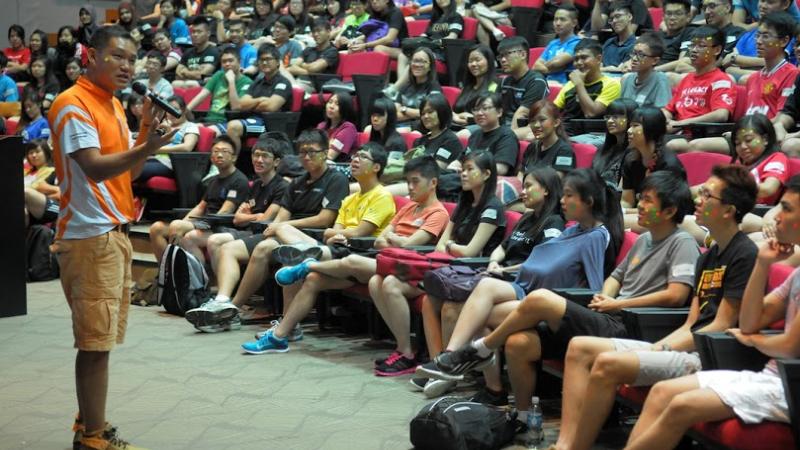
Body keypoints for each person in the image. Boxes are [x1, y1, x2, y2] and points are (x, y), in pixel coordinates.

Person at [48, 25, 176, 450]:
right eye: (117, 56)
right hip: (89, 236)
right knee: (95, 344)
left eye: (132, 60)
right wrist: (148, 147)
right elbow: (94, 167)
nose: (126, 66)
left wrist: (145, 129)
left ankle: (89, 423)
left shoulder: (114, 105)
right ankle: (93, 437)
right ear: (91, 56)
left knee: (101, 341)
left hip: (113, 232)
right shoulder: (73, 104)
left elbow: (129, 172)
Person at [621, 174, 799, 450]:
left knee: (681, 405)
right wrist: (763, 263)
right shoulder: (796, 276)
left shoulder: (739, 252)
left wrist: (753, 339)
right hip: (772, 376)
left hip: (790, 383)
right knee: (662, 392)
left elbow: (788, 346)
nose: (775, 217)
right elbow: (750, 323)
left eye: (786, 209)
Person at [416, 168, 625, 398]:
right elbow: (540, 261)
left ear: (589, 201)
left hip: (548, 304)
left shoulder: (596, 236)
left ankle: (480, 377)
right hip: (526, 288)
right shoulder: (573, 229)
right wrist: (502, 268)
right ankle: (451, 356)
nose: (562, 201)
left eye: (568, 195)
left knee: (479, 314)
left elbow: (594, 287)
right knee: (485, 287)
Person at [414, 166, 565, 396]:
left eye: (528, 186)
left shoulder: (553, 223)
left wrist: (504, 270)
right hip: (502, 279)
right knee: (438, 302)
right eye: (523, 186)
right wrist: (494, 262)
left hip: (524, 283)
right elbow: (501, 248)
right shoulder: (526, 218)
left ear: (546, 190)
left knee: (473, 299)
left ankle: (450, 358)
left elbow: (542, 263)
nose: (523, 191)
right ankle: (487, 387)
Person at [240, 143, 401, 355]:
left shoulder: (381, 196)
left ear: (376, 167)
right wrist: (338, 234)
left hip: (359, 258)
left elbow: (359, 232)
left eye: (362, 157)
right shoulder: (350, 198)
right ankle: (282, 334)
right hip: (335, 251)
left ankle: (305, 260)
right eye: (355, 155)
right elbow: (331, 232)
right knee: (287, 236)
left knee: (295, 261)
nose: (355, 159)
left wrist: (339, 234)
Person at [185, 129, 349, 331]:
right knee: (228, 248)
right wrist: (277, 227)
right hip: (283, 232)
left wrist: (283, 226)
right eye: (302, 152)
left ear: (324, 153)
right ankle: (223, 301)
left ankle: (234, 310)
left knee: (265, 249)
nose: (306, 157)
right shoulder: (296, 183)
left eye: (311, 152)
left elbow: (325, 219)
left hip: (311, 238)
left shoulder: (336, 179)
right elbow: (282, 217)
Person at [371, 150, 507, 372]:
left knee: (393, 285)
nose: (463, 174)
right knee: (378, 281)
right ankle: (426, 360)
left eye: (469, 169)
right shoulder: (464, 203)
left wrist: (451, 246)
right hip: (449, 271)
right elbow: (439, 247)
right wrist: (453, 247)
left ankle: (432, 362)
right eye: (462, 169)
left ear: (486, 174)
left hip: (472, 275)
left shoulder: (492, 207)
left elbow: (471, 252)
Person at [689, 12, 797, 154]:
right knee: (691, 146)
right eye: (757, 35)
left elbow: (781, 119)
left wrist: (743, 132)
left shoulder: (792, 74)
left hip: (767, 137)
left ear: (783, 41)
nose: (758, 41)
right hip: (746, 136)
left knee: (696, 146)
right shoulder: (752, 79)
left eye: (765, 36)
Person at [148, 135, 249, 263]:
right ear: (211, 157)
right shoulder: (213, 181)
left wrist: (193, 225)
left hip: (221, 227)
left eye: (225, 151)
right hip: (205, 223)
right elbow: (200, 207)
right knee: (157, 228)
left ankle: (191, 272)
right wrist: (184, 222)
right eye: (216, 151)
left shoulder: (239, 180)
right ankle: (167, 269)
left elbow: (224, 212)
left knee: (179, 227)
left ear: (234, 157)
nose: (219, 155)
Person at [204, 136, 289, 276]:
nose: (259, 160)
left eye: (265, 156)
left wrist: (249, 216)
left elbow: (265, 220)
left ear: (276, 161)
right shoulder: (256, 184)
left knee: (217, 241)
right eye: (256, 155)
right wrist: (255, 216)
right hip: (249, 231)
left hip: (266, 235)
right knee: (214, 241)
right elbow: (237, 219)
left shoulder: (282, 186)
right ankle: (220, 284)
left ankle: (225, 287)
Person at [663, 26, 739, 153]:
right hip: (677, 131)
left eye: (701, 46)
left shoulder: (721, 80)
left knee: (670, 145)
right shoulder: (687, 79)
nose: (694, 50)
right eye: (692, 45)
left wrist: (682, 124)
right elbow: (669, 109)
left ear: (717, 50)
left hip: (698, 135)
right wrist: (664, 119)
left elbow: (721, 114)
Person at [224, 44, 293, 151]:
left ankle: (233, 160)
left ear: (277, 62)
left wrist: (251, 104)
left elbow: (271, 107)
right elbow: (241, 104)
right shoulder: (257, 83)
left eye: (268, 59)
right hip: (252, 119)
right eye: (261, 60)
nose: (264, 63)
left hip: (268, 125)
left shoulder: (283, 83)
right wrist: (260, 100)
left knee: (233, 127)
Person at [622, 106, 687, 215]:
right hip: (639, 214)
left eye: (635, 126)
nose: (629, 131)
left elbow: (661, 209)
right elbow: (627, 201)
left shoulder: (669, 164)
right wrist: (621, 211)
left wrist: (625, 212)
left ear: (651, 130)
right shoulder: (630, 160)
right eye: (630, 126)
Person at [554, 39, 622, 136]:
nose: (579, 62)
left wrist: (579, 84)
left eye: (584, 58)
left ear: (598, 59)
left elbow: (591, 113)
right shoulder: (570, 85)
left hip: (593, 135)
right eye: (576, 59)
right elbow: (552, 111)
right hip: (565, 133)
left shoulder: (612, 84)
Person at [186, 47, 253, 131]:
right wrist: (186, 110)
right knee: (185, 128)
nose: (227, 64)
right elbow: (201, 96)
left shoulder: (247, 82)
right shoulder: (218, 75)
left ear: (239, 62)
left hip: (227, 122)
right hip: (209, 120)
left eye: (231, 61)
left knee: (197, 129)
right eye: (224, 61)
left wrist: (231, 82)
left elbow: (235, 108)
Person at [136, 95, 199, 183]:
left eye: (175, 109)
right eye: (169, 110)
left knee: (133, 172)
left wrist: (155, 150)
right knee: (128, 168)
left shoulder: (190, 126)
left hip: (171, 164)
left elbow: (187, 147)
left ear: (184, 110)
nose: (171, 113)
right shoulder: (163, 125)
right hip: (154, 159)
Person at [496, 36, 548, 141]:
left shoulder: (537, 81)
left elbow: (522, 114)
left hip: (526, 127)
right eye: (501, 56)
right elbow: (494, 108)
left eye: (507, 54)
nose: (503, 60)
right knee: (466, 133)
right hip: (502, 126)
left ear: (523, 55)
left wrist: (506, 139)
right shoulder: (505, 81)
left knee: (496, 138)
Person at [464, 92, 520, 176]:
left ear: (499, 112)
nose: (479, 113)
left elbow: (501, 169)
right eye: (476, 109)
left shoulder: (507, 136)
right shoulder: (475, 134)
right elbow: (461, 159)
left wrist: (471, 171)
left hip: (489, 180)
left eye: (485, 108)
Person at [520, 99, 575, 177]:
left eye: (542, 120)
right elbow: (521, 174)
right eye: (532, 121)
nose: (536, 125)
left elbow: (556, 181)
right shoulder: (532, 147)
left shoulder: (564, 151)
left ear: (556, 123)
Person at [620, 33, 672, 108]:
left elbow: (662, 112)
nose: (634, 59)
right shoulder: (627, 79)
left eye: (641, 55)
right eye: (634, 53)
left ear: (655, 60)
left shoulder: (660, 80)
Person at [452, 44, 498, 129]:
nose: (473, 64)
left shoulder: (494, 85)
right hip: (457, 126)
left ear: (489, 61)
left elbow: (487, 116)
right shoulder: (467, 87)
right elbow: (454, 111)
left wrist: (458, 118)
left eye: (477, 60)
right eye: (470, 61)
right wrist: (458, 116)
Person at [593, 98, 637, 185]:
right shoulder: (603, 150)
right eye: (608, 117)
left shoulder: (634, 154)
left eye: (615, 117)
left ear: (630, 119)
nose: (610, 121)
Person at [285, 17, 340, 89]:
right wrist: (310, 71)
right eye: (313, 31)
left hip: (316, 85)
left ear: (328, 31)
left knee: (291, 89)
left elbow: (314, 68)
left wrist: (302, 64)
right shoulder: (308, 50)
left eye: (319, 31)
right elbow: (292, 67)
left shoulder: (332, 51)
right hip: (299, 80)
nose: (316, 34)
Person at [394, 47, 443, 127]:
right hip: (398, 125)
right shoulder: (405, 86)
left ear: (430, 66)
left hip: (420, 127)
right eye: (415, 61)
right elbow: (395, 113)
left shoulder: (434, 87)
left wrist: (404, 109)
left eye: (422, 61)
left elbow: (431, 114)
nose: (417, 65)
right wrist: (416, 113)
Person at [533, 6, 581, 85]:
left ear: (574, 23)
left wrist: (544, 67)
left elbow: (556, 62)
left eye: (562, 19)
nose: (558, 23)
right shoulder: (552, 43)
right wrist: (549, 70)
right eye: (556, 19)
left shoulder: (577, 43)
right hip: (547, 84)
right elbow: (535, 66)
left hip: (564, 86)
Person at [173, 18, 220, 88]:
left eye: (199, 32)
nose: (195, 35)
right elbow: (178, 73)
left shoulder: (214, 52)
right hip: (186, 85)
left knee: (190, 83)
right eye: (193, 32)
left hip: (206, 87)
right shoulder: (188, 52)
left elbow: (202, 74)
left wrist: (185, 71)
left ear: (208, 33)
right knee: (175, 83)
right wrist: (196, 71)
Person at [655, 0, 697, 71]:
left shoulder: (690, 33)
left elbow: (683, 62)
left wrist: (653, 71)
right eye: (669, 13)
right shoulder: (656, 35)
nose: (672, 18)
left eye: (678, 14)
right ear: (663, 16)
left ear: (688, 16)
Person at [317, 92, 358, 162]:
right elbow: (310, 148)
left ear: (345, 108)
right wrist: (329, 143)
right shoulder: (321, 125)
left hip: (336, 165)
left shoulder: (348, 128)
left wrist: (320, 146)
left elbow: (330, 156)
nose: (331, 106)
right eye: (330, 102)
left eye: (337, 104)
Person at [602, 2, 637, 72]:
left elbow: (623, 69)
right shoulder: (609, 42)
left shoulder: (635, 45)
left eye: (618, 16)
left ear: (629, 16)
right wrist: (608, 69)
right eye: (611, 19)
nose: (614, 21)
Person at [54, 26, 88, 90]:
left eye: (66, 36)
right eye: (61, 36)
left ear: (74, 38)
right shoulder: (56, 50)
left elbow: (83, 69)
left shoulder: (81, 49)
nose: (63, 38)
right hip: (60, 82)